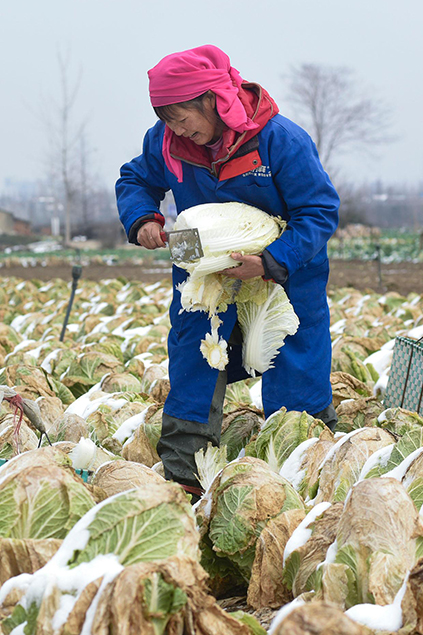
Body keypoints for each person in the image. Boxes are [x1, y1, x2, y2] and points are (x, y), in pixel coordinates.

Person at [115, 45, 340, 495]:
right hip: (205, 278)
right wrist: (142, 217)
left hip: (284, 274)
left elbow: (318, 210)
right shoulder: (165, 142)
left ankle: (305, 466)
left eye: (181, 117)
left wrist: (272, 262)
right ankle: (185, 475)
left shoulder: (279, 140)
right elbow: (135, 179)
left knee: (294, 360)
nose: (176, 129)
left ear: (214, 100)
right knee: (195, 360)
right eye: (166, 119)